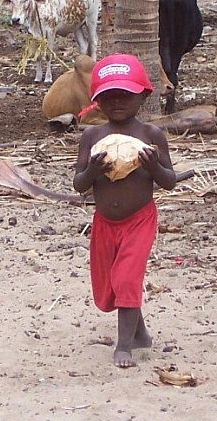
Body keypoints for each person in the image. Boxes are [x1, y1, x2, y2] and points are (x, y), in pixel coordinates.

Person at [73, 54, 177, 368]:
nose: (117, 101)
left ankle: (124, 347)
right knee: (111, 287)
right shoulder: (92, 137)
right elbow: (79, 184)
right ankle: (141, 334)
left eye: (125, 95)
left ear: (144, 95)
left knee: (128, 279)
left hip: (139, 220)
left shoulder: (151, 136)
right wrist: (92, 170)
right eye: (108, 96)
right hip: (105, 222)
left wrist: (154, 166)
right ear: (96, 101)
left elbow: (169, 181)